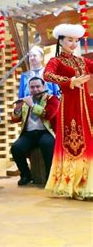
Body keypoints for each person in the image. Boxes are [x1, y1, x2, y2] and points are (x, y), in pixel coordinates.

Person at [43, 23, 93, 200]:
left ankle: (87, 183)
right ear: (61, 41)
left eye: (76, 41)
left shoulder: (81, 61)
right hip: (70, 108)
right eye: (70, 40)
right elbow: (47, 75)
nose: (73, 44)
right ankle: (75, 185)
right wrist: (70, 81)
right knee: (75, 143)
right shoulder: (56, 61)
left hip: (87, 106)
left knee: (89, 142)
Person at [10, 77, 59, 186]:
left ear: (44, 87)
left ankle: (49, 177)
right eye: (32, 87)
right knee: (16, 148)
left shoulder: (52, 99)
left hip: (46, 131)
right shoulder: (27, 100)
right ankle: (26, 175)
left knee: (47, 144)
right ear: (29, 88)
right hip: (29, 134)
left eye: (38, 86)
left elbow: (48, 114)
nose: (35, 89)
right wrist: (17, 109)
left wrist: (32, 105)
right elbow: (14, 119)